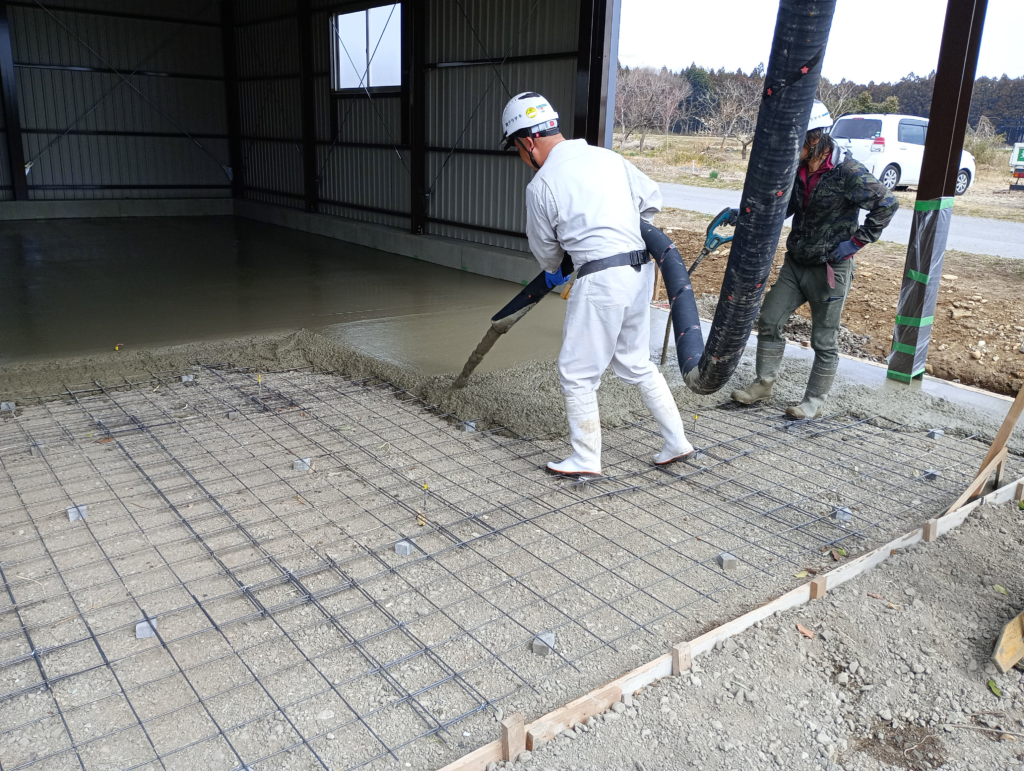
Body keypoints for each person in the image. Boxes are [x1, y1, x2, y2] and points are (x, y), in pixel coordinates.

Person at [500, 91, 693, 476]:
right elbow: (651, 200)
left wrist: (563, 263)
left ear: (528, 142)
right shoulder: (608, 158)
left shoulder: (542, 184)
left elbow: (547, 255)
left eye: (517, 149)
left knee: (576, 373)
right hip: (639, 272)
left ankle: (586, 457)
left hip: (601, 278)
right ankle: (677, 442)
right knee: (637, 362)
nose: (521, 157)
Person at [731, 101, 898, 419]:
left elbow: (887, 203)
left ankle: (813, 401)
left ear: (815, 137)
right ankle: (763, 384)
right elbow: (785, 207)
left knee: (823, 338)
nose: (790, 147)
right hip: (796, 263)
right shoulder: (798, 170)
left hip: (829, 268)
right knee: (770, 319)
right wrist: (745, 215)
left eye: (796, 140)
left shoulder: (847, 172)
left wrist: (855, 242)